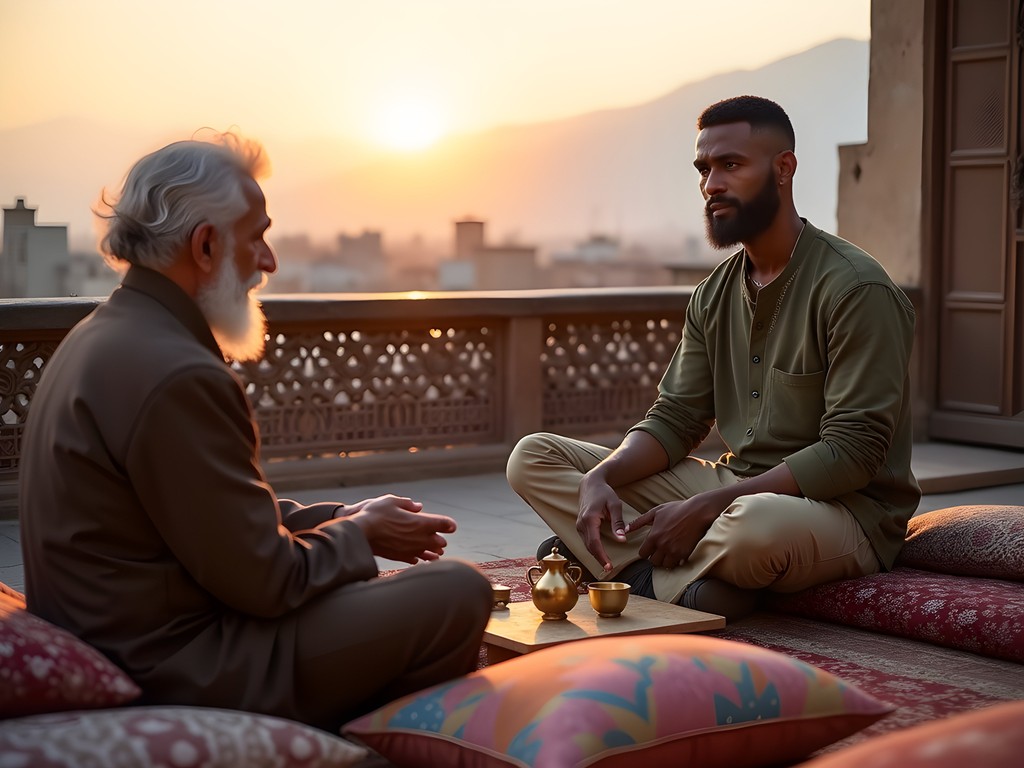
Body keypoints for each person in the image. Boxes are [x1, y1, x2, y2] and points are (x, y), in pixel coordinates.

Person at [18, 133, 493, 732]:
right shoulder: (176, 373)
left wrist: (349, 515)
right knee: (454, 593)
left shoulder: (104, 333)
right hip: (176, 668)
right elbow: (267, 582)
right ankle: (375, 743)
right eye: (258, 237)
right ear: (207, 245)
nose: (269, 262)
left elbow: (217, 521)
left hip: (129, 639)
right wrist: (360, 537)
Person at [507, 95, 921, 621]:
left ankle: (618, 566)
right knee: (533, 455)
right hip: (736, 486)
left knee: (755, 529)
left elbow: (855, 452)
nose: (711, 185)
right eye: (704, 169)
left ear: (783, 169)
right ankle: (672, 578)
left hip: (844, 511)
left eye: (730, 165)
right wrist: (601, 478)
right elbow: (676, 419)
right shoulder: (713, 294)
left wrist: (708, 508)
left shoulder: (855, 288)